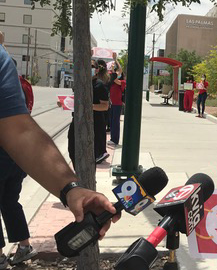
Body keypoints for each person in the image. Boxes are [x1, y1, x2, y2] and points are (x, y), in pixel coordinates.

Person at [0, 41, 118, 267]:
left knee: (8, 202)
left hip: (9, 160)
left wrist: (71, 189)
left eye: (94, 65)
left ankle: (22, 246)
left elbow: (20, 130)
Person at [0, 43, 37, 268]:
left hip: (3, 154)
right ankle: (24, 246)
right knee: (10, 201)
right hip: (19, 155)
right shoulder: (22, 88)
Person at [108, 69, 126, 146]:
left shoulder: (122, 82)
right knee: (112, 122)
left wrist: (116, 60)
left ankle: (115, 140)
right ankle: (112, 138)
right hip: (112, 104)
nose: (117, 73)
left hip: (117, 104)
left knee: (115, 122)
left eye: (118, 72)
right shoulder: (112, 83)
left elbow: (115, 77)